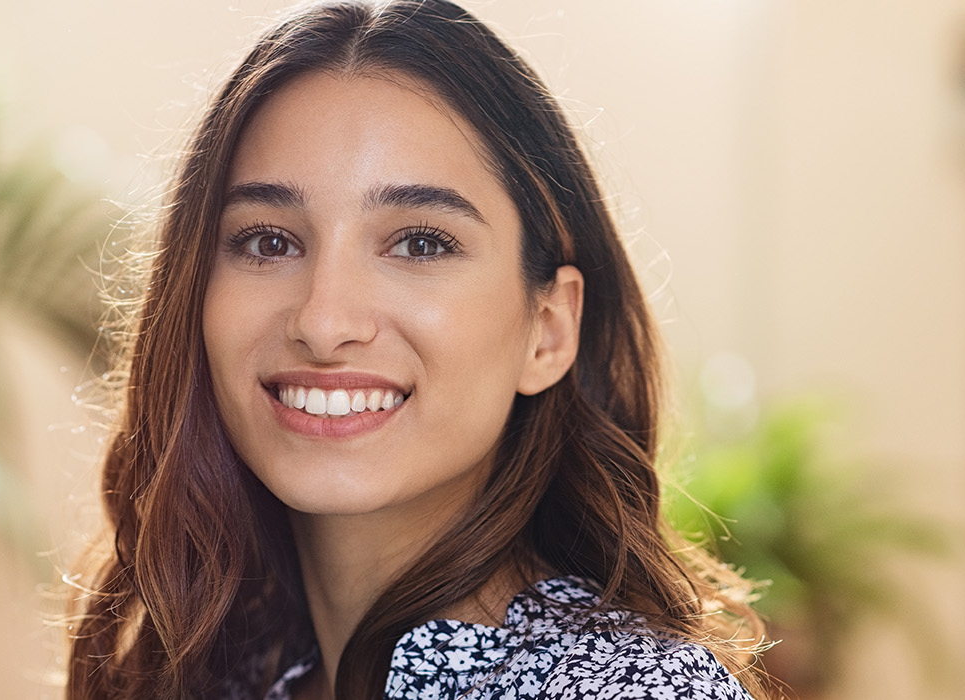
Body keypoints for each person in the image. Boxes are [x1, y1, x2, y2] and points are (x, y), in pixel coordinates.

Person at [63, 2, 769, 699]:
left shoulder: (634, 691)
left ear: (548, 330)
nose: (323, 319)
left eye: (421, 243)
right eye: (268, 241)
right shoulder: (210, 680)